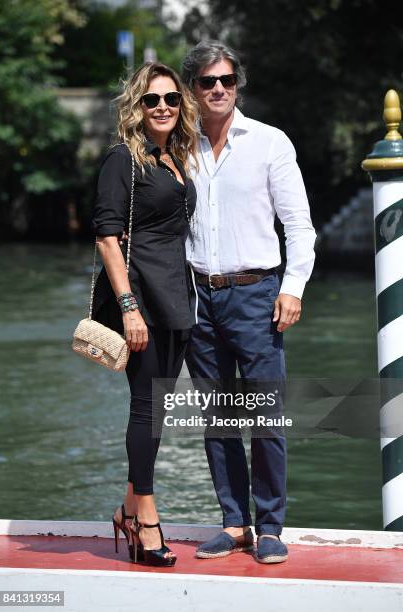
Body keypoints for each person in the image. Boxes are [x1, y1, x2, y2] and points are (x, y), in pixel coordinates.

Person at [181, 41, 316, 563]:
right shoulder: (177, 146)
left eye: (228, 81)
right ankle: (234, 523)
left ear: (238, 84)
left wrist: (293, 288)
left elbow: (299, 226)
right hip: (196, 298)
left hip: (258, 294)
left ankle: (271, 526)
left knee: (265, 415)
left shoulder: (269, 142)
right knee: (217, 416)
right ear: (193, 88)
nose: (219, 89)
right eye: (208, 82)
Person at [91, 62, 198, 567]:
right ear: (138, 104)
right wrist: (129, 307)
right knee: (146, 407)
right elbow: (107, 237)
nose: (162, 107)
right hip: (142, 300)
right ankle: (147, 519)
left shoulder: (172, 158)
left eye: (172, 99)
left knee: (159, 408)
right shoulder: (123, 159)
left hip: (177, 297)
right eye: (152, 99)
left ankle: (126, 508)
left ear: (181, 106)